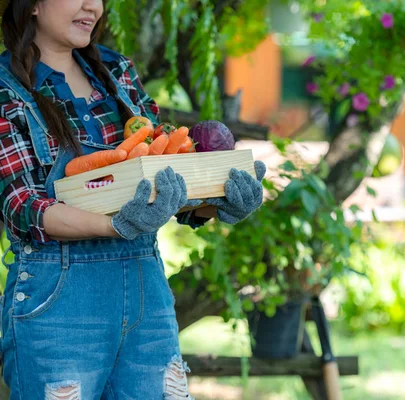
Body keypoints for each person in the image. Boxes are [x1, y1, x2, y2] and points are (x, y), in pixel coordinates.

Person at [0, 0, 266, 398]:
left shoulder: (116, 72)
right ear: (33, 4)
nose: (93, 6)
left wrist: (217, 200)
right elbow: (22, 207)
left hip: (147, 296)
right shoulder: (6, 86)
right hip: (58, 305)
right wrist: (115, 225)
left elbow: (161, 178)